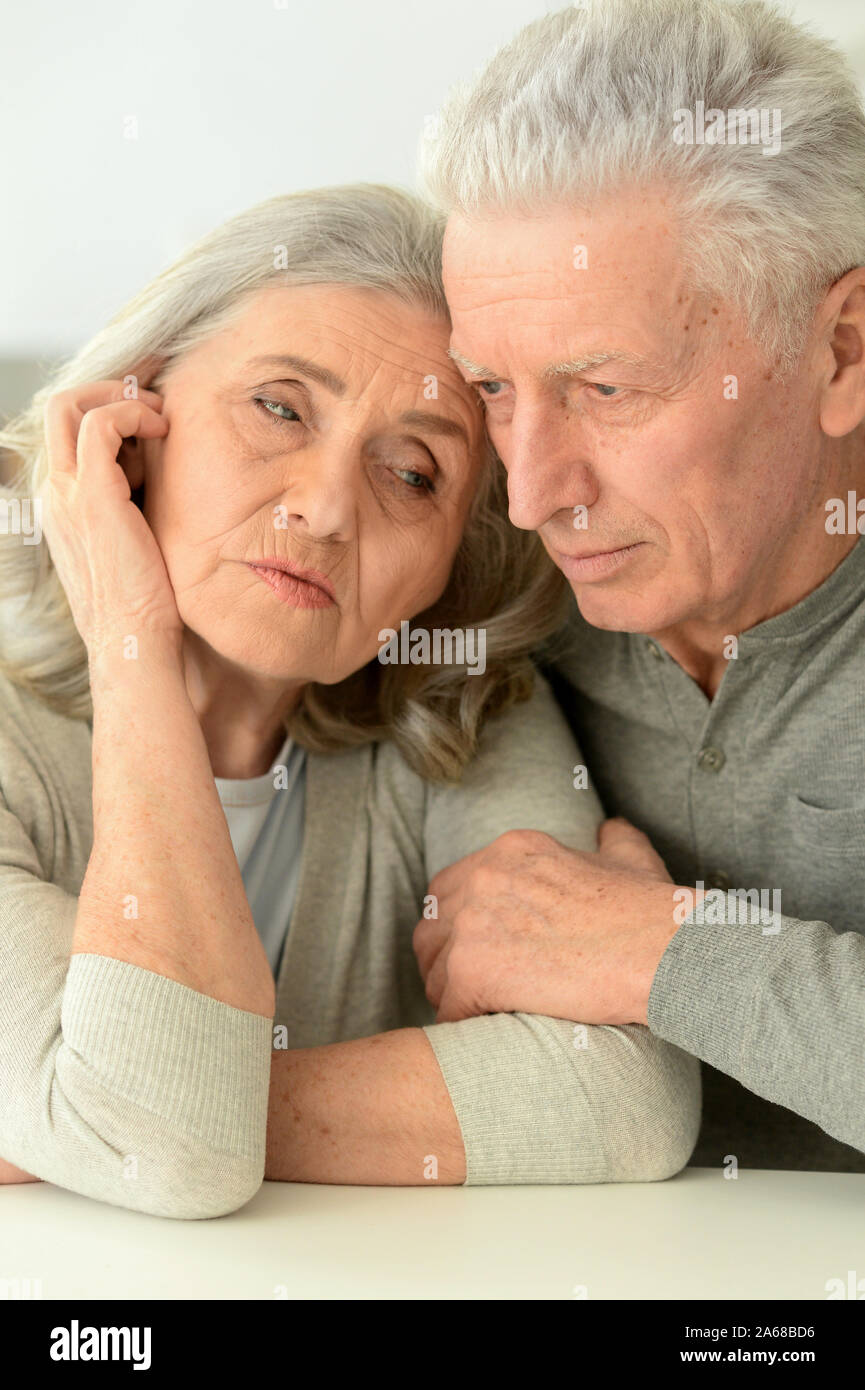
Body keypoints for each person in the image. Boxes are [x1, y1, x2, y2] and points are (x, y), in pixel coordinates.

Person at [0, 185, 699, 1214]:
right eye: (279, 407)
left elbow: (630, 1094)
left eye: (413, 474)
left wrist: (116, 1103)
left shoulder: (462, 710)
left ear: (446, 566)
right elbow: (167, 1150)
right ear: (130, 423)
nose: (325, 507)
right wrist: (129, 638)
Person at [415, 0, 865, 1170]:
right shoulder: (481, 570)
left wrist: (658, 949)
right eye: (495, 389)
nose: (530, 495)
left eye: (605, 390)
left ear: (844, 347)